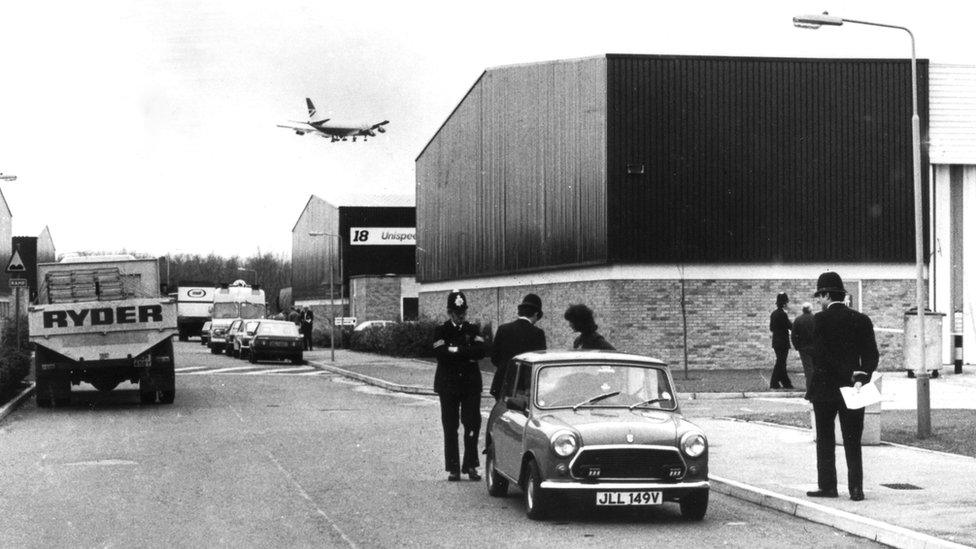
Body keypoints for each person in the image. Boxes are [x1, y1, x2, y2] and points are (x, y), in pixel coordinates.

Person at [805, 272, 879, 502]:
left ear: (826, 295)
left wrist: (844, 373)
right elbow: (871, 355)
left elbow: (819, 357)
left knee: (825, 439)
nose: (818, 300)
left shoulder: (818, 320)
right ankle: (856, 488)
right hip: (854, 390)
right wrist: (861, 377)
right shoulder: (862, 319)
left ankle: (828, 486)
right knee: (852, 439)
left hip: (825, 389)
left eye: (820, 295)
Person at [433, 290, 487, 481]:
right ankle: (454, 468)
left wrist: (455, 351)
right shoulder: (441, 330)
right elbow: (440, 354)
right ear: (449, 312)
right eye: (457, 312)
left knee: (472, 424)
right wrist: (467, 353)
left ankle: (471, 465)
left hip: (470, 385)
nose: (461, 315)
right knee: (450, 425)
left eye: (463, 311)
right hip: (448, 385)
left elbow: (481, 351)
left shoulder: (473, 329)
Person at [490, 293, 547, 400]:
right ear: (536, 313)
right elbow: (540, 361)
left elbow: (494, 358)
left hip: (502, 383)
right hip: (524, 387)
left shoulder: (503, 329)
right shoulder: (538, 333)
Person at [769, 292, 794, 389]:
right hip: (783, 342)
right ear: (784, 303)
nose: (788, 304)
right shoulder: (783, 314)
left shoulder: (774, 314)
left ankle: (786, 383)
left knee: (781, 362)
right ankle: (774, 382)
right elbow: (790, 326)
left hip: (776, 342)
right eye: (787, 302)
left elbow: (771, 328)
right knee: (781, 362)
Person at [791, 302, 816, 383]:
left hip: (803, 348)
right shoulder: (816, 318)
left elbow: (793, 335)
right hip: (815, 348)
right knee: (815, 368)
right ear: (811, 309)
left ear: (802, 309)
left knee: (808, 369)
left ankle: (809, 389)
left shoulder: (798, 320)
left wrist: (797, 346)